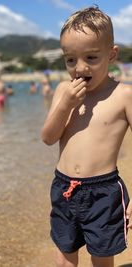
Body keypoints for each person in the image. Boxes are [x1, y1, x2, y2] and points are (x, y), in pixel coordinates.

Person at [41, 6, 132, 267]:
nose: (80, 68)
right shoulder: (62, 91)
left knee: (102, 259)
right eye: (70, 59)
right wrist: (65, 105)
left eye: (91, 57)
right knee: (64, 257)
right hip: (63, 188)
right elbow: (48, 137)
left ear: (112, 54)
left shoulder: (123, 95)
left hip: (104, 192)